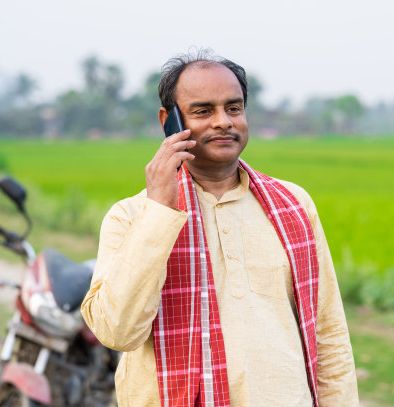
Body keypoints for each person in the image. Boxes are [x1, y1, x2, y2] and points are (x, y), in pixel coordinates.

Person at [81, 50, 358, 407]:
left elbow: (329, 333)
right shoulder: (132, 216)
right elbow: (117, 331)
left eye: (234, 108)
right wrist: (159, 212)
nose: (223, 121)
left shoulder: (293, 205)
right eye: (202, 111)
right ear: (170, 121)